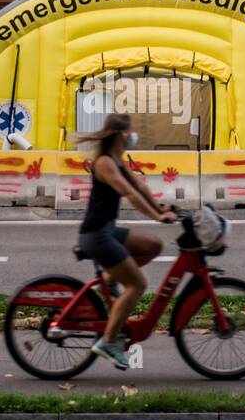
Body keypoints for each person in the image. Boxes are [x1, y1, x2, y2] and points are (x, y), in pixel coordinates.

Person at [74, 113, 178, 370]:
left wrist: (161, 206)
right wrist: (156, 216)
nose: (133, 136)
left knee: (153, 246)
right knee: (137, 285)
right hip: (96, 235)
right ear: (121, 135)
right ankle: (108, 342)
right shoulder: (105, 163)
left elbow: (140, 187)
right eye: (130, 132)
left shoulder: (118, 161)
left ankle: (108, 284)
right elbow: (129, 193)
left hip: (107, 231)